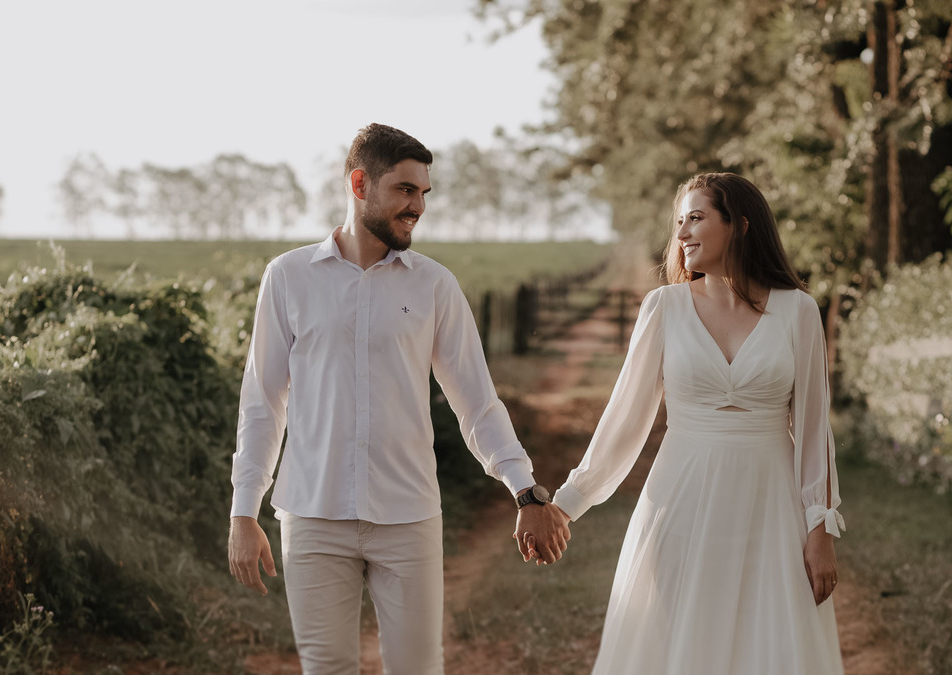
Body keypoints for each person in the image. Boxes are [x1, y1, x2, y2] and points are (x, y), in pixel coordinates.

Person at [226, 123, 571, 675]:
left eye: (423, 194)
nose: (418, 207)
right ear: (360, 183)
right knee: (326, 668)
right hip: (311, 515)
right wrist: (245, 510)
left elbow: (477, 403)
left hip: (408, 516)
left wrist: (525, 491)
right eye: (406, 190)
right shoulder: (288, 278)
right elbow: (263, 404)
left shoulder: (434, 286)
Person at [548, 172, 846, 673]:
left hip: (770, 506)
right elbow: (626, 418)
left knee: (765, 645)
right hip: (679, 499)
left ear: (740, 226)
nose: (682, 232)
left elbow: (814, 430)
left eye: (697, 218)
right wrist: (567, 503)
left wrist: (820, 526)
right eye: (679, 221)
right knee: (678, 643)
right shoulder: (664, 307)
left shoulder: (798, 312)